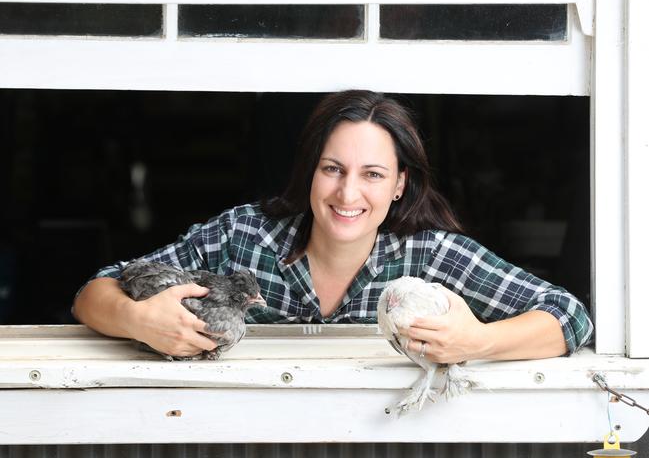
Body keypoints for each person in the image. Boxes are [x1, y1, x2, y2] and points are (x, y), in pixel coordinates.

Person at [73, 90, 593, 362]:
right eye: (333, 170)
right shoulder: (243, 236)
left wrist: (474, 341)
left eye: (372, 175)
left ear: (399, 185)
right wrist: (136, 319)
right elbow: (92, 293)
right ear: (310, 171)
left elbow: (569, 317)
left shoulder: (433, 255)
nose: (348, 195)